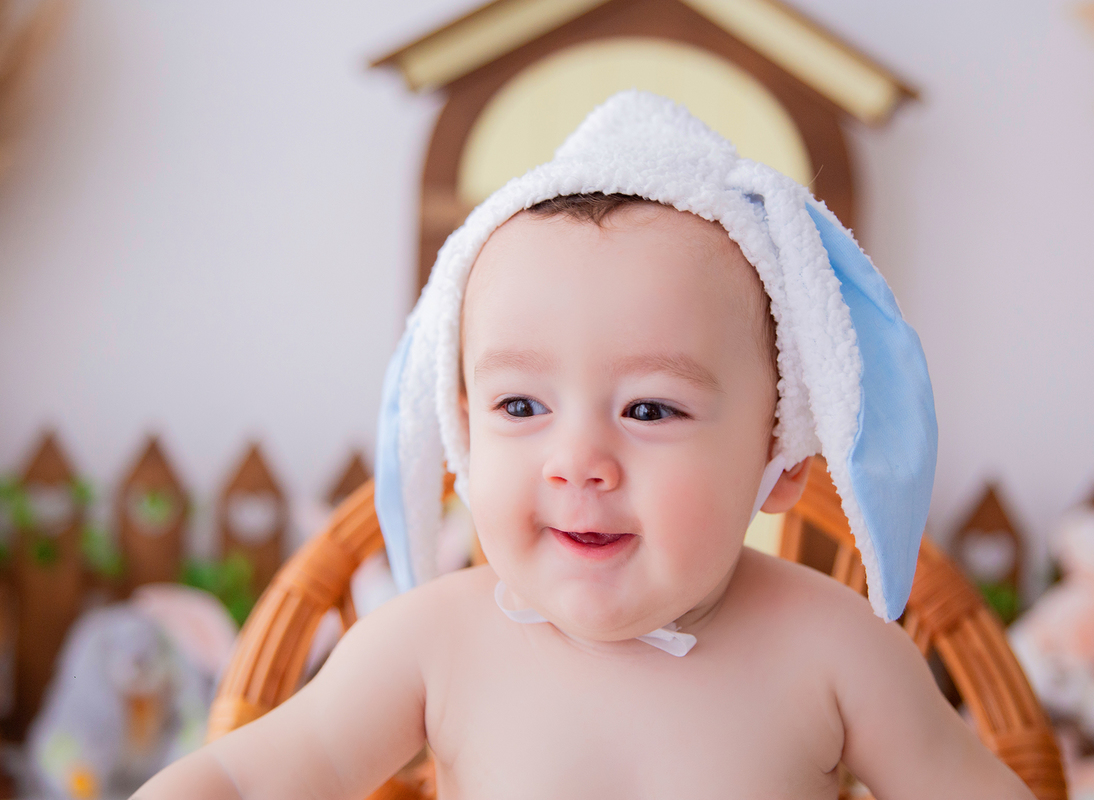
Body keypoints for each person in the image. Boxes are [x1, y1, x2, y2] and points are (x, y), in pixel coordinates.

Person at [135, 92, 1035, 799]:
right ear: (461, 435)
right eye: (521, 404)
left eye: (649, 410)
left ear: (782, 459)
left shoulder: (839, 651)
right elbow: (250, 777)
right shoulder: (432, 644)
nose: (579, 461)